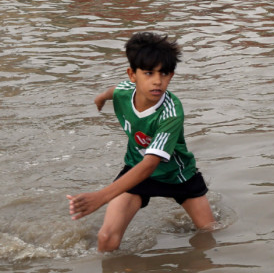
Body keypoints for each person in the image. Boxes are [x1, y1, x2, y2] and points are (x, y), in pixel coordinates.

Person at [67, 32, 216, 252]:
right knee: (107, 238)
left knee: (210, 234)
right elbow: (113, 92)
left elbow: (150, 164)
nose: (157, 81)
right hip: (136, 170)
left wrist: (101, 197)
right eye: (148, 73)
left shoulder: (171, 112)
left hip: (177, 176)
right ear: (132, 75)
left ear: (171, 76)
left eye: (164, 73)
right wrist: (100, 98)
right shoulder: (124, 92)